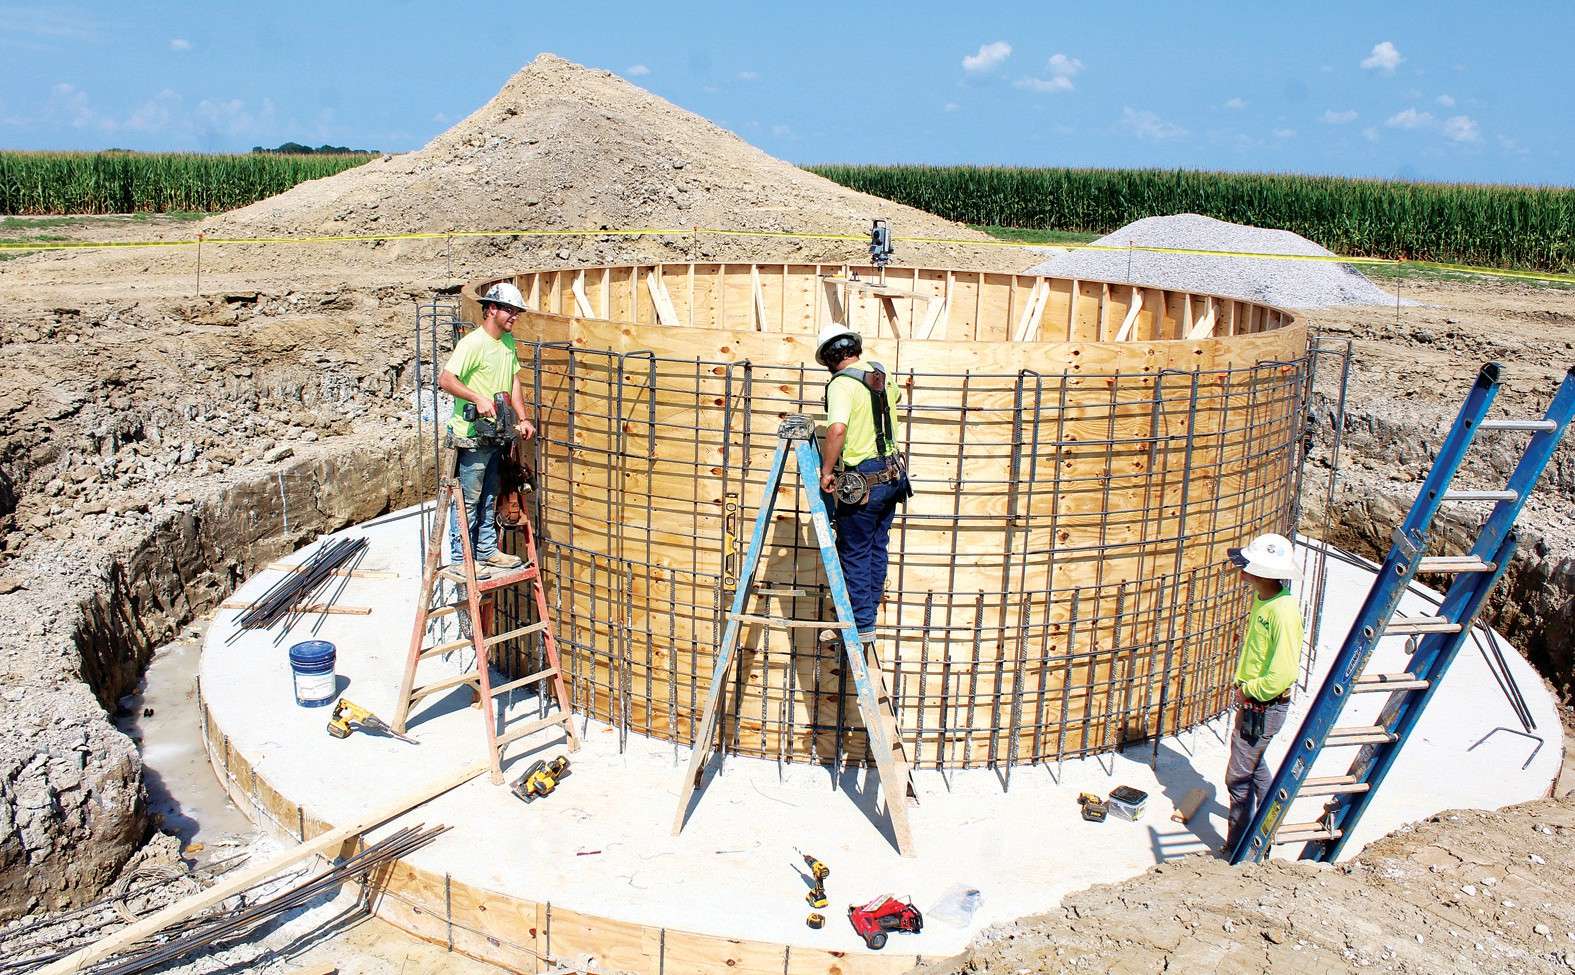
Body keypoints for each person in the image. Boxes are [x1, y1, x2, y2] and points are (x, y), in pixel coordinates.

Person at [814, 325, 911, 646]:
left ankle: (859, 624)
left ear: (829, 359)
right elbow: (895, 398)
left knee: (854, 551)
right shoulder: (880, 373)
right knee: (876, 546)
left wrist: (827, 470)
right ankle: (866, 613)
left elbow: (837, 429)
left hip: (865, 479)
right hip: (892, 473)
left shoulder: (841, 384)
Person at [438, 281, 536, 577]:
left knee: (490, 494)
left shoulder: (507, 343)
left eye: (517, 312)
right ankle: (460, 558)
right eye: (510, 311)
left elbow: (513, 382)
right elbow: (446, 380)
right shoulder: (473, 343)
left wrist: (523, 417)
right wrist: (477, 397)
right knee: (469, 498)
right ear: (491, 309)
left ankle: (486, 551)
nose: (514, 317)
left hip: (497, 434)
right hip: (471, 435)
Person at [1222, 531, 1304, 855]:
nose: (1241, 569)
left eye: (1248, 565)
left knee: (1238, 779)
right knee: (1255, 770)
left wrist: (1250, 691)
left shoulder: (1282, 613)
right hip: (1257, 702)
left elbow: (1283, 672)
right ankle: (1267, 827)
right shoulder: (1265, 600)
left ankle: (1239, 848)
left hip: (1264, 705)